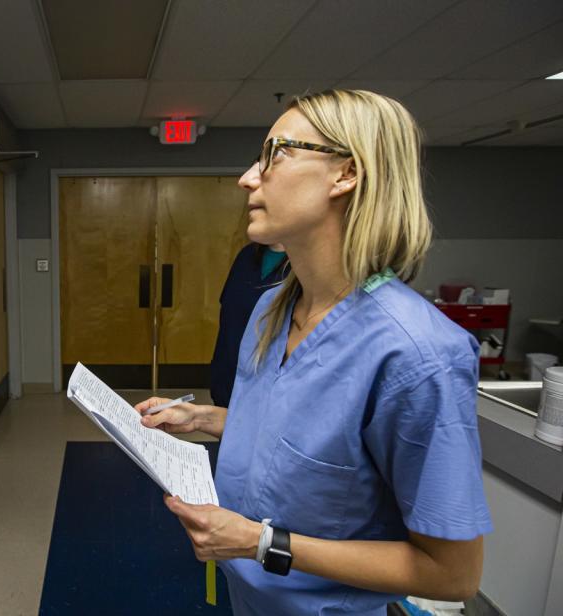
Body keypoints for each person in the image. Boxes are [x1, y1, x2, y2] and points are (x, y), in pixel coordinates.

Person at [135, 90, 491, 616]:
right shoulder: (271, 311)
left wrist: (260, 543)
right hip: (249, 600)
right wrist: (203, 417)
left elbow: (454, 574)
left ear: (345, 173)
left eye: (274, 153)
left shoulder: (417, 356)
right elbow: (303, 447)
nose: (248, 178)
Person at [210, 242, 286, 408]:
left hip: (270, 397)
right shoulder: (247, 256)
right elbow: (230, 319)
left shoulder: (306, 266)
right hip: (227, 386)